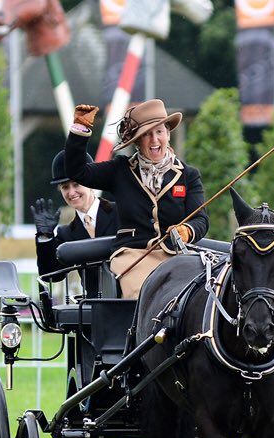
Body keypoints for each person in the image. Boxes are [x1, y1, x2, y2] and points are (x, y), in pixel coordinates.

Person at [64, 98, 209, 299]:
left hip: (178, 256)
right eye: (147, 134)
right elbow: (77, 171)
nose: (154, 140)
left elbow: (201, 220)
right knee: (145, 296)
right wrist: (80, 131)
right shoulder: (120, 170)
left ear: (168, 133)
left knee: (199, 296)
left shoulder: (188, 175)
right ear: (137, 141)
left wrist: (186, 231)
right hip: (133, 257)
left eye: (159, 132)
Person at [31, 149, 119, 298]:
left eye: (76, 184)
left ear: (91, 183)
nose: (71, 193)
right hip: (95, 309)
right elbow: (51, 275)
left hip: (131, 301)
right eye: (65, 187)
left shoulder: (120, 213)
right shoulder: (67, 233)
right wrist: (45, 237)